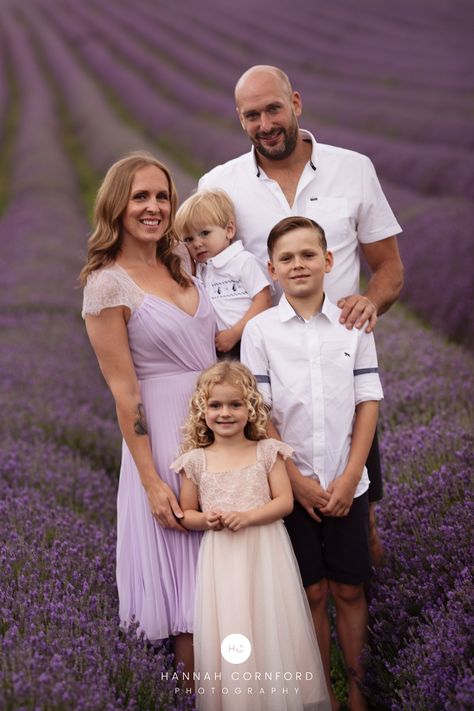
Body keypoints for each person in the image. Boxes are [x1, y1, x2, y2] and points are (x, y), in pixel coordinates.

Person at [199, 64, 404, 563]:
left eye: (273, 109)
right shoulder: (219, 183)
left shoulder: (353, 168)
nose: (265, 123)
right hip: (262, 377)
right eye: (252, 115)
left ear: (296, 102)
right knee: (278, 520)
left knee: (360, 518)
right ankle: (303, 622)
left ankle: (365, 627)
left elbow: (389, 268)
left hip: (339, 370)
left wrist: (369, 302)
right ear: (239, 119)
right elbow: (195, 269)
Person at [79, 152, 216, 673]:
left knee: (227, 578)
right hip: (163, 437)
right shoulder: (107, 284)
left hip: (220, 427)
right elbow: (124, 392)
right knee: (187, 598)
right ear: (117, 205)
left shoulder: (184, 259)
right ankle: (191, 699)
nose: (154, 207)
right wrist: (151, 480)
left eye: (162, 196)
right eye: (141, 197)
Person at [241, 217, 384, 711]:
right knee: (312, 592)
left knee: (349, 588)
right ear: (272, 269)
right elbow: (259, 413)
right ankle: (319, 694)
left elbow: (368, 402)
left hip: (347, 478)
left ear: (328, 262)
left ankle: (359, 694)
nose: (298, 264)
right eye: (287, 258)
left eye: (307, 255)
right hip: (291, 485)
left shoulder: (354, 324)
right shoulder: (260, 332)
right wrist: (296, 481)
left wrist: (349, 478)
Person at [171, 361, 331, 711]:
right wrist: (205, 519)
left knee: (268, 622)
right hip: (223, 558)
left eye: (235, 405)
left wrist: (248, 517)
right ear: (202, 410)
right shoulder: (194, 461)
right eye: (215, 406)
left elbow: (285, 502)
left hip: (265, 552)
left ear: (251, 408)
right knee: (231, 622)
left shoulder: (267, 452)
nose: (225, 413)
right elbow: (187, 513)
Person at [174, 189, 272, 359]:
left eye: (205, 233)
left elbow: (264, 300)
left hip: (246, 342)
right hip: (217, 348)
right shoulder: (201, 271)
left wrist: (235, 333)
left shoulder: (243, 261)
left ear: (229, 230)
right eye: (189, 239)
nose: (197, 244)